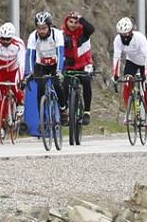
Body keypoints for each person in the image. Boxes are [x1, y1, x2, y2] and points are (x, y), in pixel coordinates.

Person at [23, 10, 64, 140]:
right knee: (40, 88)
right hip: (41, 64)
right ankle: (43, 120)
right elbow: (30, 55)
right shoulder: (33, 37)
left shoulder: (57, 34)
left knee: (57, 84)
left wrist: (59, 71)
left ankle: (63, 109)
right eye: (39, 28)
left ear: (49, 26)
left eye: (44, 28)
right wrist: (30, 73)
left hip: (55, 63)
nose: (41, 31)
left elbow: (60, 53)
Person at [60, 11, 96, 146]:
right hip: (69, 66)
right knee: (64, 84)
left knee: (86, 82)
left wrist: (81, 19)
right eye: (71, 22)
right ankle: (65, 110)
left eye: (76, 22)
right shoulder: (61, 34)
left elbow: (91, 29)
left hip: (84, 64)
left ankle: (86, 111)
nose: (73, 25)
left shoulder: (84, 32)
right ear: (66, 22)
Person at [110, 17, 147, 126]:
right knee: (127, 82)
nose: (124, 37)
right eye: (122, 35)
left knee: (145, 85)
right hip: (131, 61)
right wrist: (115, 75)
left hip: (144, 62)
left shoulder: (139, 38)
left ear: (131, 32)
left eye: (126, 34)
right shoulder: (117, 40)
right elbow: (117, 57)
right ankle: (128, 113)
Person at [0, 21, 25, 132]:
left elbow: (22, 62)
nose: (5, 41)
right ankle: (1, 126)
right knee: (1, 96)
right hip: (1, 71)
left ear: (12, 37)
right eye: (3, 39)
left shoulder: (19, 44)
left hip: (14, 70)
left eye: (8, 39)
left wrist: (21, 79)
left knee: (16, 88)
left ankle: (20, 102)